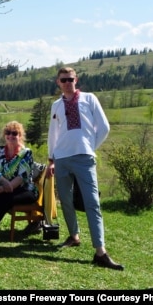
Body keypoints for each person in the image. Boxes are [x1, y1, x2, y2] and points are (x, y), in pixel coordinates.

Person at [48, 67, 124, 270]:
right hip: (61, 158)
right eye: (63, 80)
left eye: (70, 79)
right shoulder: (56, 105)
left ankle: (100, 252)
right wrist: (51, 158)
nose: (67, 83)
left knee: (92, 204)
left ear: (76, 79)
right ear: (58, 82)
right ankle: (74, 236)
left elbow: (104, 127)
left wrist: (90, 148)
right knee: (65, 200)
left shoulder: (89, 99)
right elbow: (53, 134)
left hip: (84, 158)